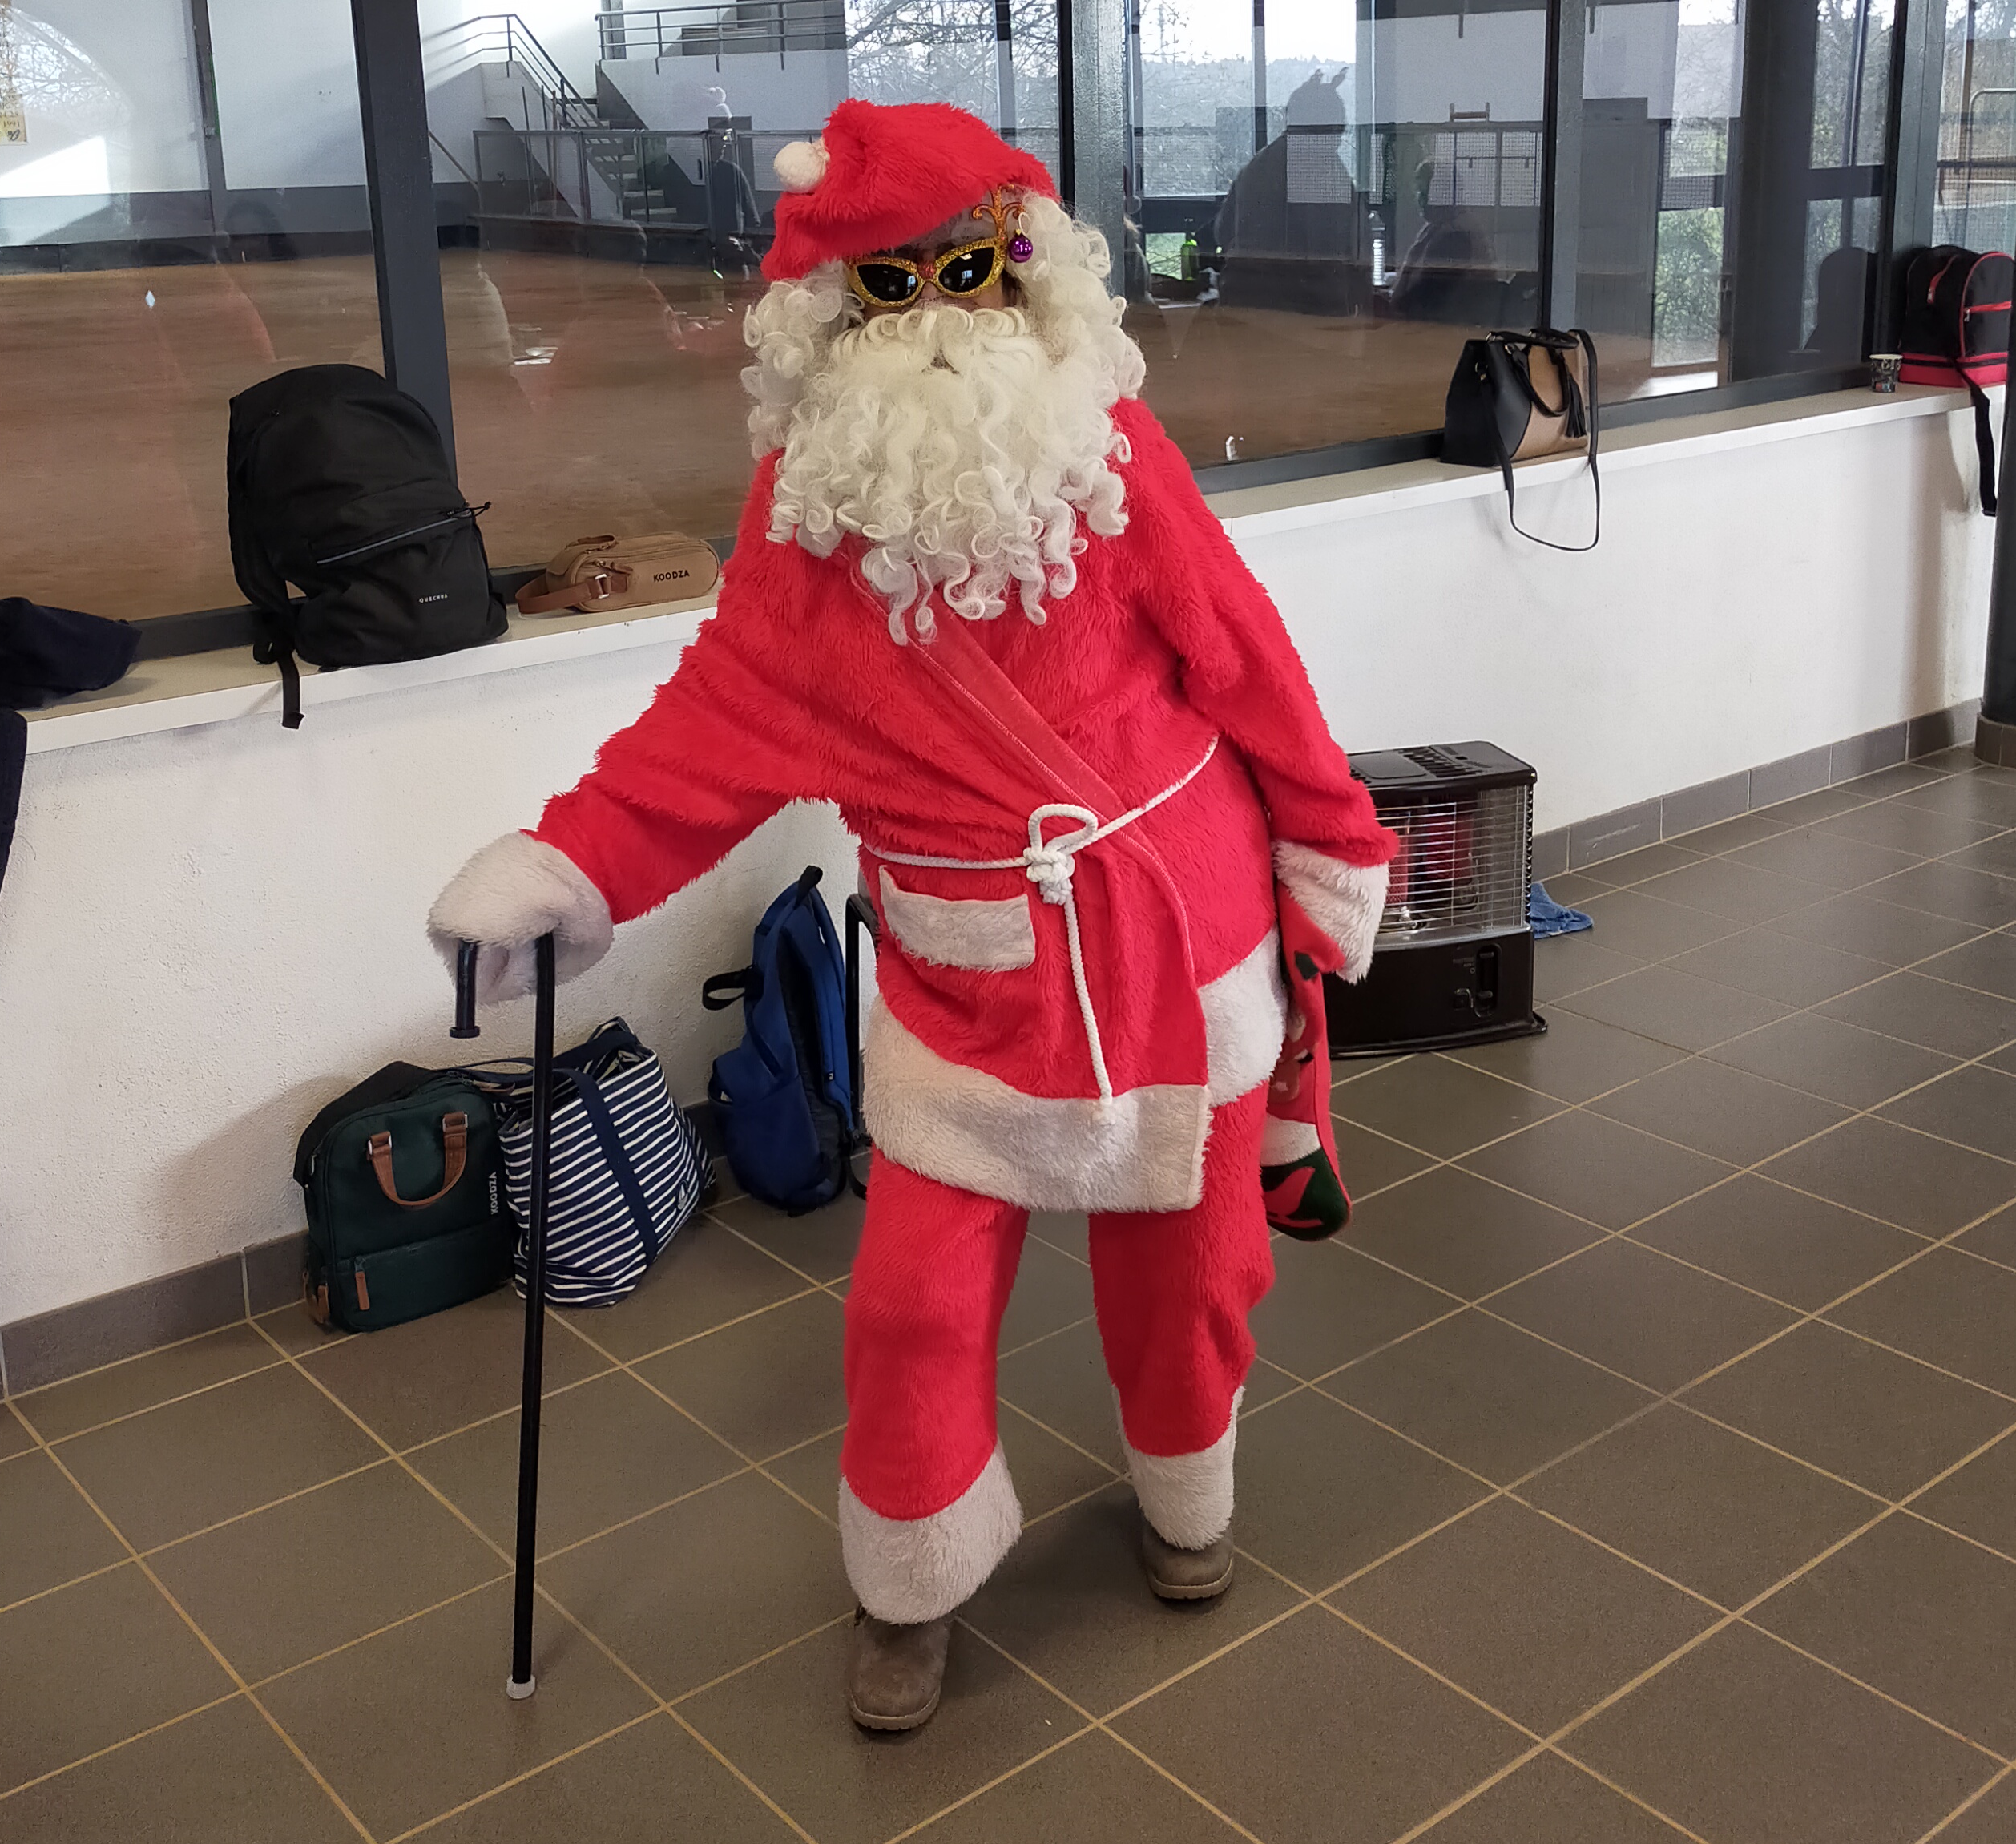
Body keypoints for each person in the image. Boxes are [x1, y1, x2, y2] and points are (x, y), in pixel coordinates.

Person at [429, 96, 1394, 1736]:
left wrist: (1329, 831)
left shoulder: (1112, 450)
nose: (944, 314)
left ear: (1033, 271)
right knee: (912, 1302)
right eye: (896, 286)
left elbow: (1241, 645)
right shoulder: (807, 516)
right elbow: (718, 713)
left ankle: (1187, 1493)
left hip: (1176, 934)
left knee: (1191, 1269)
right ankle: (912, 1577)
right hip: (970, 976)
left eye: (975, 268)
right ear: (830, 317)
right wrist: (572, 860)